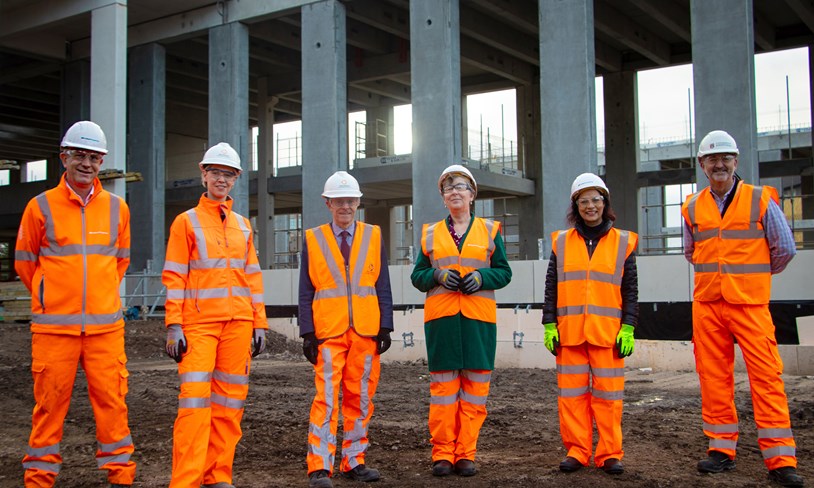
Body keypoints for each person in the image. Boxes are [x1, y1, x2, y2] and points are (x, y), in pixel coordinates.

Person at [14, 121, 136, 487]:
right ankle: (39, 478)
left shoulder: (118, 209)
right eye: (79, 155)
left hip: (105, 331)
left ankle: (121, 476)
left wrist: (97, 299)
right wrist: (52, 295)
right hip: (54, 330)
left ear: (102, 163)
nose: (86, 163)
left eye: (94, 157)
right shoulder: (39, 207)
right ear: (63, 158)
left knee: (113, 406)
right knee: (49, 407)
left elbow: (120, 261)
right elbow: (25, 263)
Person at [681, 130, 804, 487]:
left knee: (766, 379)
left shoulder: (760, 200)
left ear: (736, 161)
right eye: (711, 159)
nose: (719, 165)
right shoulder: (691, 206)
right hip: (707, 305)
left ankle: (781, 459)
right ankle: (721, 450)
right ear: (702, 165)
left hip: (750, 305)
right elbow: (692, 252)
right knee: (713, 378)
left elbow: (784, 250)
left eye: (725, 159)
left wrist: (753, 278)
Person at [162, 142, 268, 488]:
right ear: (203, 174)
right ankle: (186, 481)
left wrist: (259, 322)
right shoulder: (186, 222)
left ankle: (217, 475)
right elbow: (175, 275)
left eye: (228, 174)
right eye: (216, 173)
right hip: (199, 324)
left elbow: (252, 276)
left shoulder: (242, 226)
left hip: (238, 324)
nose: (221, 179)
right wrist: (173, 324)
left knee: (229, 403)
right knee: (194, 405)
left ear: (235, 179)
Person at [410, 164, 512, 478]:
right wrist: (437, 274)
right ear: (443, 198)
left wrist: (482, 277)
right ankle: (442, 454)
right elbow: (417, 276)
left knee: (475, 392)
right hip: (441, 323)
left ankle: (466, 454)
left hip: (478, 322)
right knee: (443, 394)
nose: (455, 191)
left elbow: (504, 272)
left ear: (472, 195)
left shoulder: (490, 231)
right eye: (449, 187)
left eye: (461, 186)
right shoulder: (430, 233)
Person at [298, 171, 394, 488]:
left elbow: (382, 283)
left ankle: (354, 460)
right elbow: (305, 289)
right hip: (328, 331)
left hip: (366, 331)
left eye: (350, 201)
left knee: (361, 399)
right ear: (328, 203)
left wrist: (385, 326)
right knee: (326, 399)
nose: (345, 207)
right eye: (339, 201)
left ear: (358, 203)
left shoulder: (373, 235)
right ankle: (319, 466)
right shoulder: (313, 238)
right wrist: (307, 332)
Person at [541, 172, 638, 476]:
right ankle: (577, 450)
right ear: (576, 205)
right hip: (569, 334)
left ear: (604, 202)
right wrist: (548, 324)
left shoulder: (623, 241)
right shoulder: (561, 242)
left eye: (596, 199)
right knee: (572, 398)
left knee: (609, 397)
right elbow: (551, 286)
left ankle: (609, 453)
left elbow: (631, 289)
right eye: (584, 201)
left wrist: (629, 327)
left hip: (608, 335)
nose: (590, 205)